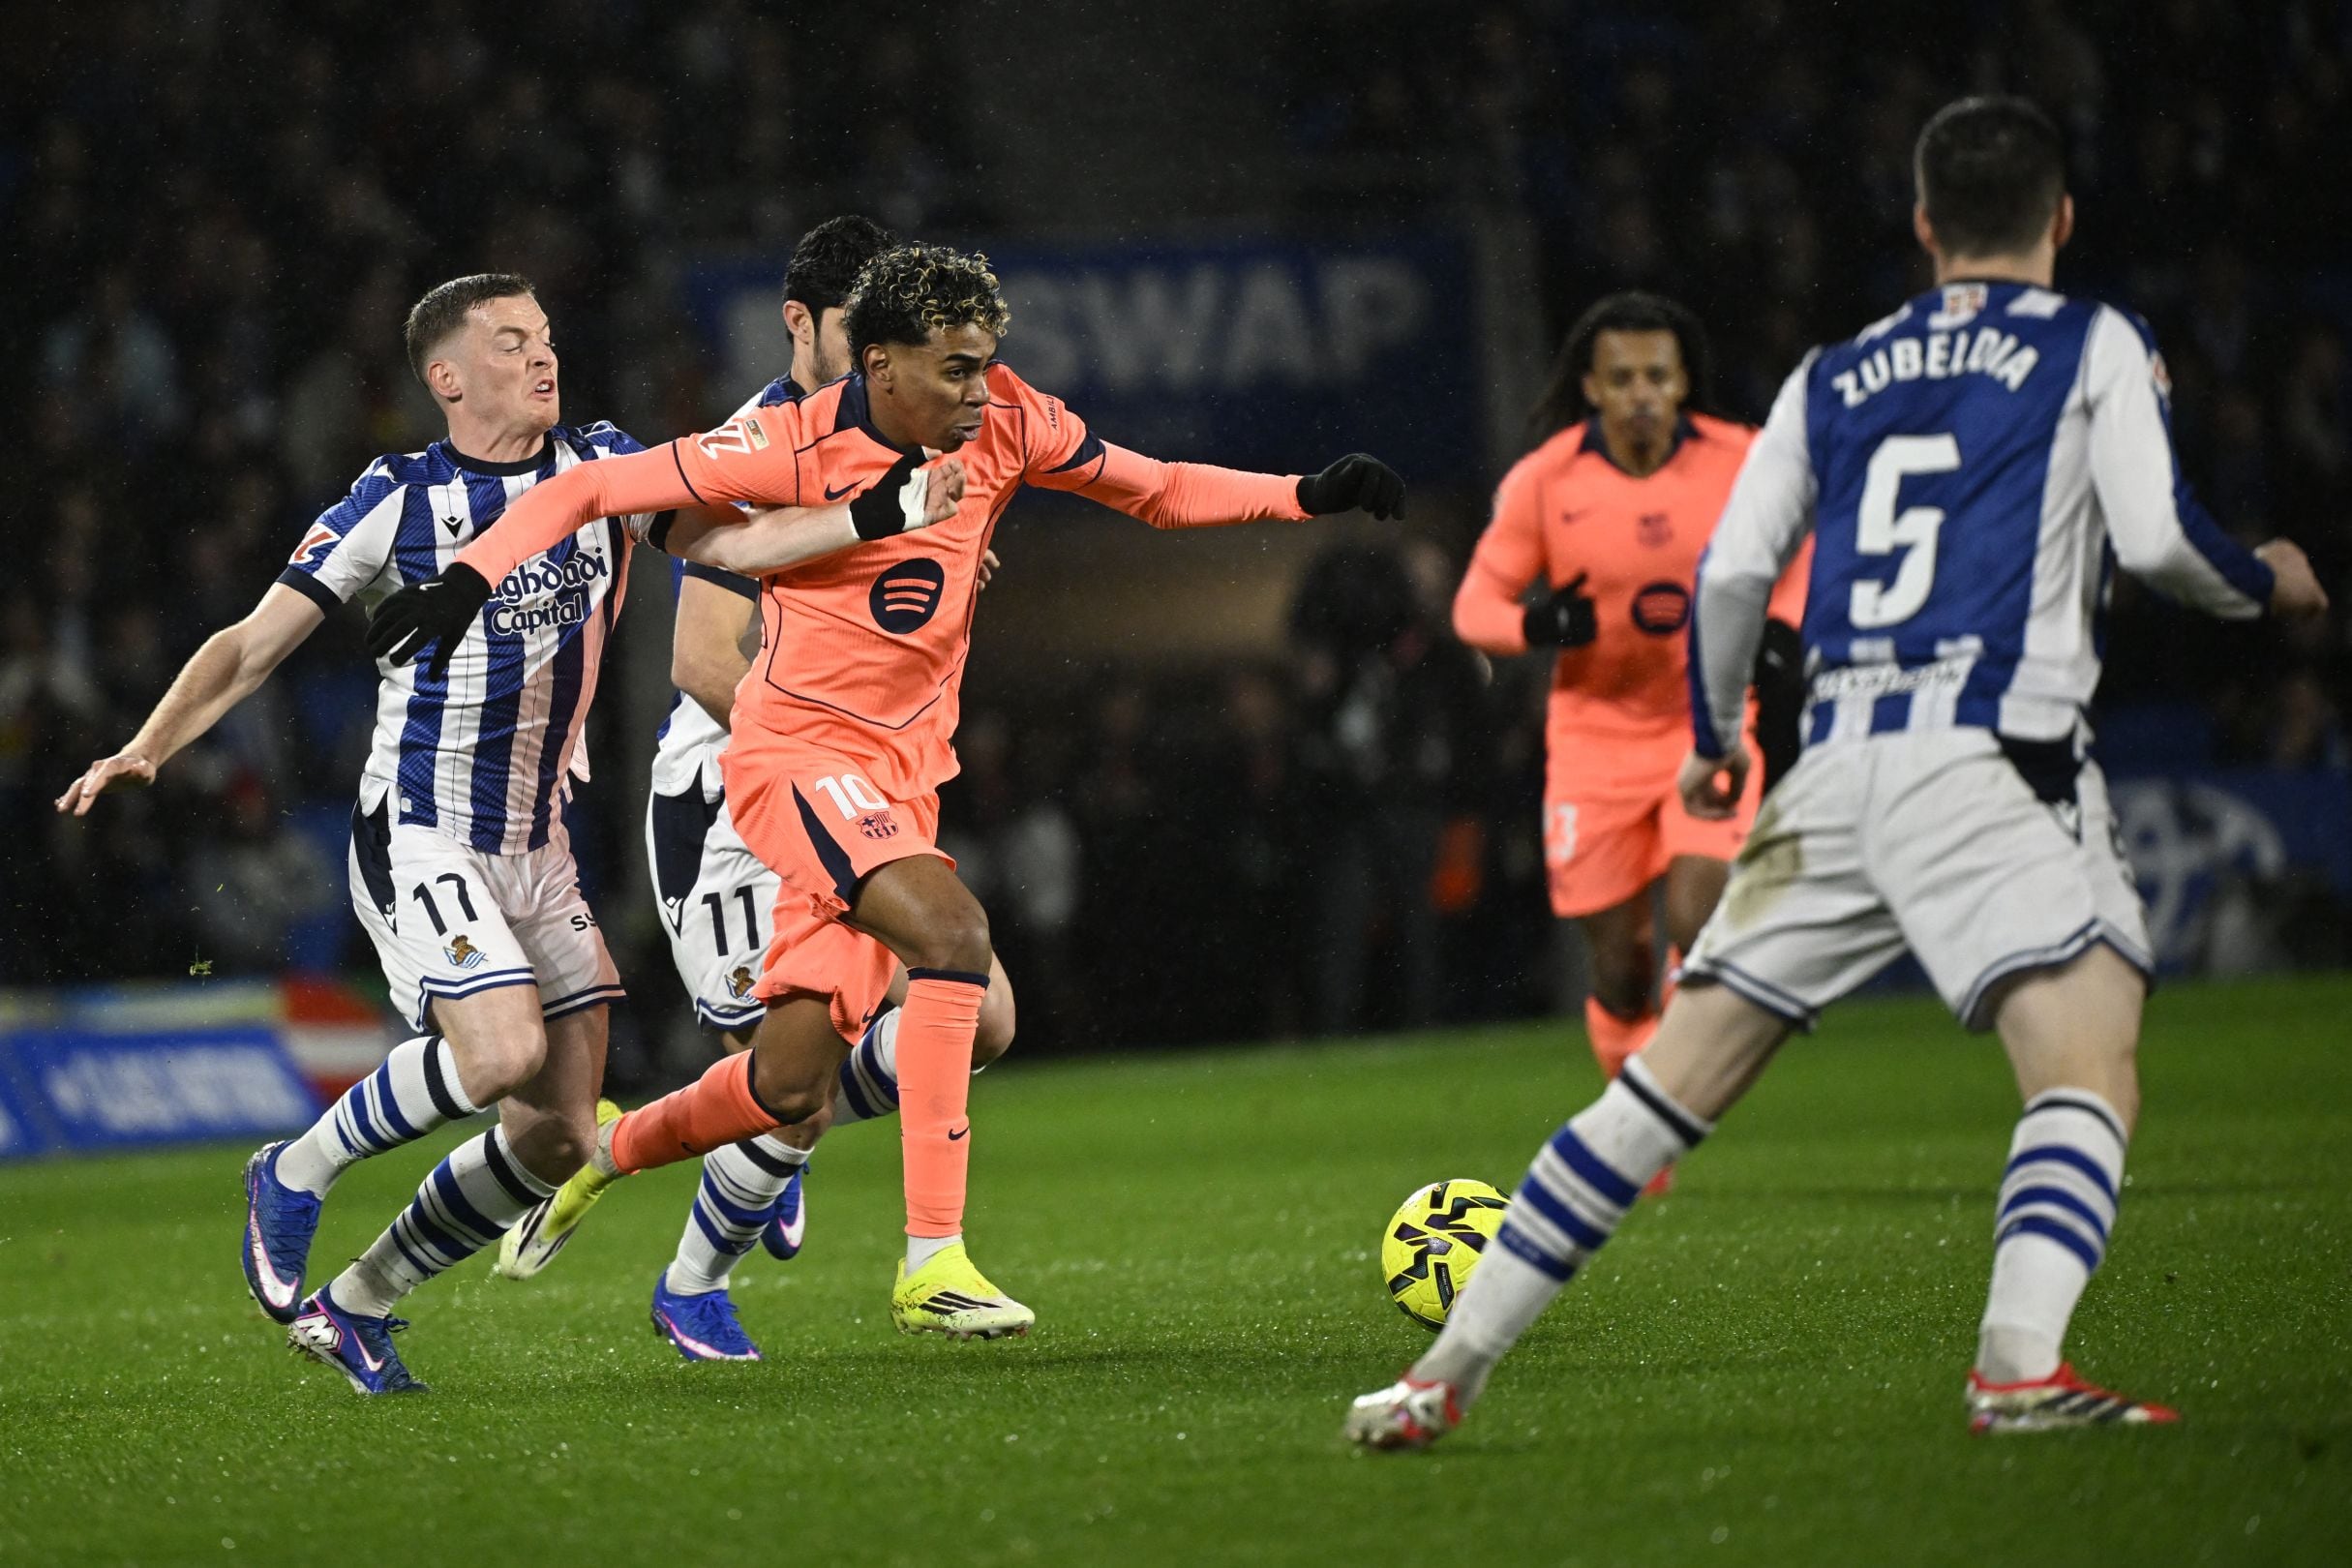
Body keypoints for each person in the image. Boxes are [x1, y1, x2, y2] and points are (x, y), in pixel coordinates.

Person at [1347, 95, 2329, 1448]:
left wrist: (1711, 740)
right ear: (2058, 220)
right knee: (2085, 1074)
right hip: (1990, 754)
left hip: (1835, 771)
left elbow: (1733, 576)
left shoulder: (1833, 372)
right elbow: (2160, 545)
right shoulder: (2092, 341)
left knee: (1656, 1094)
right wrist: (2260, 580)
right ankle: (2015, 1368)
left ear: (1923, 226)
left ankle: (1434, 1379)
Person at [370, 242, 1404, 1341]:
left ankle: (607, 1162)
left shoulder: (1007, 421)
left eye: (986, 363)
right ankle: (934, 1260)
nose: (979, 389)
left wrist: (1303, 495)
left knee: (785, 1089)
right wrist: (470, 578)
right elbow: (589, 487)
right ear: (879, 365)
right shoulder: (785, 443)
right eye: (955, 369)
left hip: (906, 779)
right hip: (793, 757)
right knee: (955, 936)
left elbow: (1155, 489)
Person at [55, 273, 959, 1395]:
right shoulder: (395, 497)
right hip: (425, 829)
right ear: (447, 377)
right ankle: (292, 1171)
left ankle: (359, 1303)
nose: (544, 357)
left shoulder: (598, 468)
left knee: (556, 1136)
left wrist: (890, 524)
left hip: (539, 842)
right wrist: (151, 743)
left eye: (546, 337)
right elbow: (251, 642)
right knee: (500, 1055)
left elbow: (736, 545)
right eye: (512, 342)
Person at [494, 216, 1019, 1366]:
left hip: (850, 786)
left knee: (977, 1017)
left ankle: (655, 1148)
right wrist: (845, 766)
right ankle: (694, 1284)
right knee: (801, 1092)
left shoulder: (917, 442)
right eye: (857, 329)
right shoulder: (757, 445)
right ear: (804, 325)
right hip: (734, 806)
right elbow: (702, 662)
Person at [1451, 294, 1808, 1174]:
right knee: (1618, 965)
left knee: (1700, 908)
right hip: (1593, 740)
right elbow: (1474, 605)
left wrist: (1783, 629)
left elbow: (1802, 548)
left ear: (1685, 381)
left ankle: (1665, 1107)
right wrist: (1537, 628)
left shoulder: (1744, 459)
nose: (1643, 393)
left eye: (1658, 374)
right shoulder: (1547, 480)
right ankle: (1643, 1123)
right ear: (1591, 387)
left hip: (1709, 722)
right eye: (1623, 378)